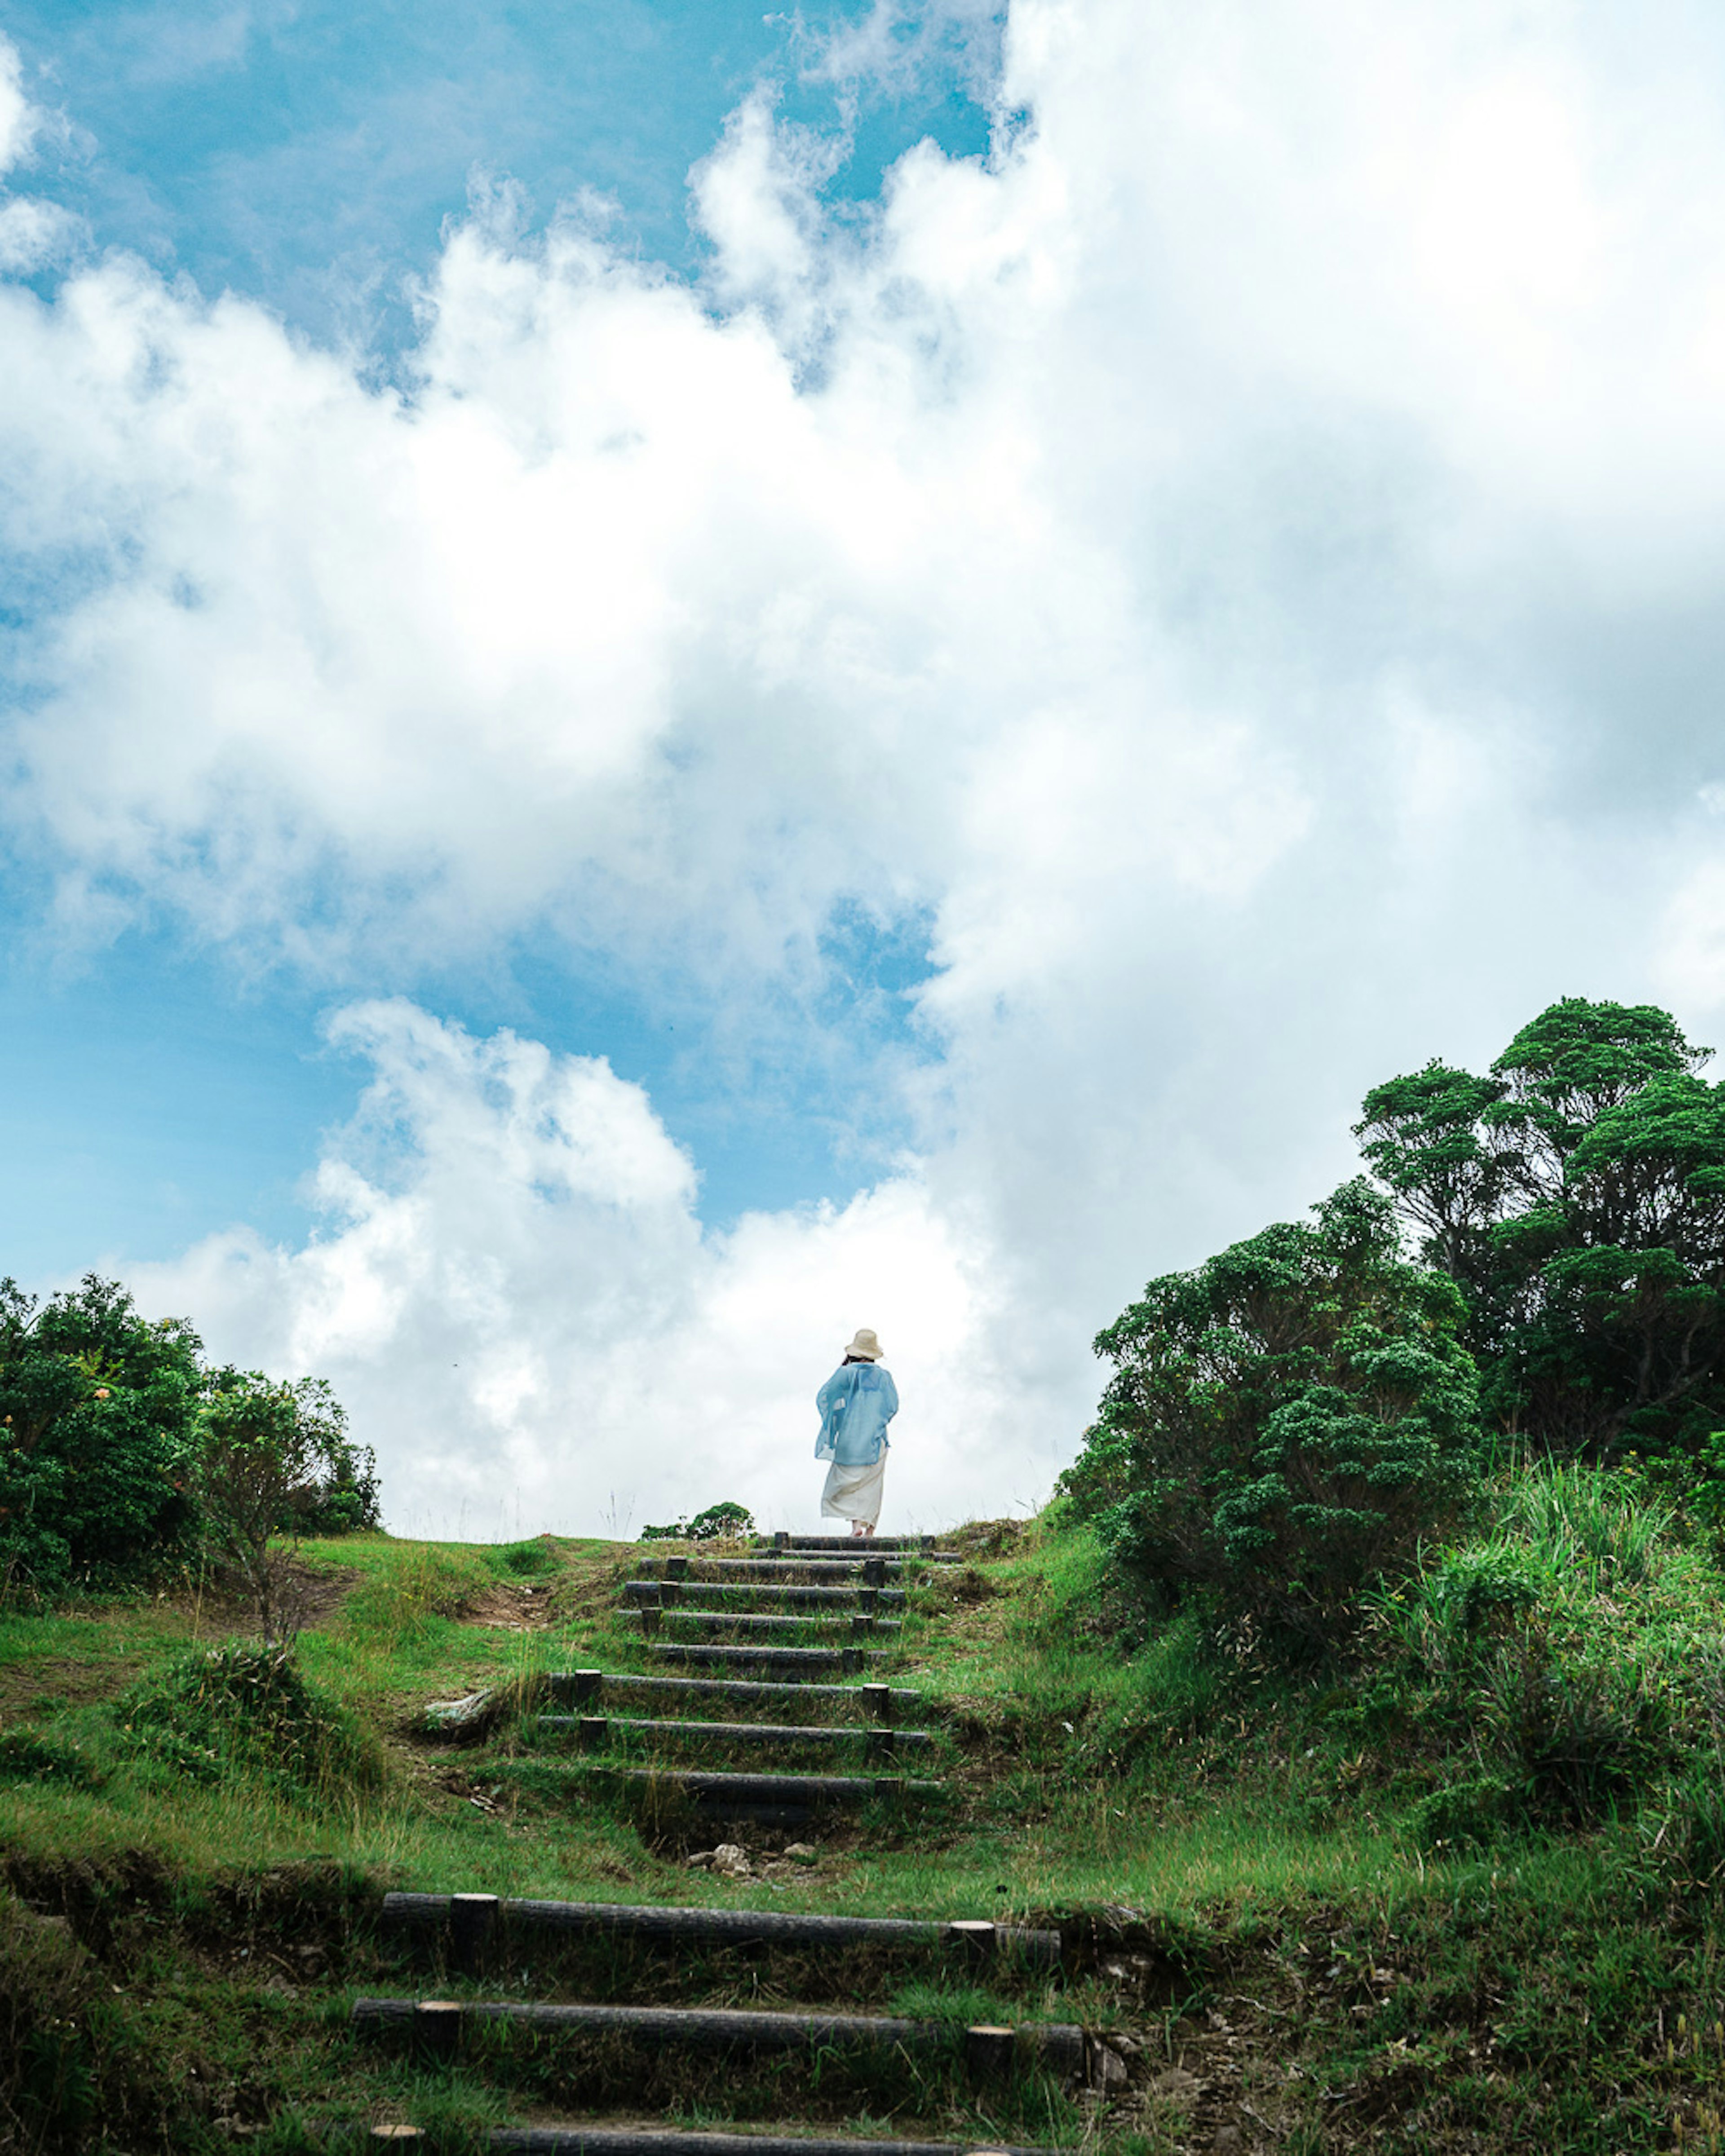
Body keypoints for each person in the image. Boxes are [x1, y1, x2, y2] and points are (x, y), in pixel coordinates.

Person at [815, 1328, 899, 1538]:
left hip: (849, 1440)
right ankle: (869, 1529)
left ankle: (855, 1527)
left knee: (847, 1482)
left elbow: (824, 1398)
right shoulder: (883, 1377)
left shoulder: (845, 1374)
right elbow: (892, 1407)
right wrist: (876, 1421)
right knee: (872, 1484)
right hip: (875, 1439)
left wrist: (841, 1415)